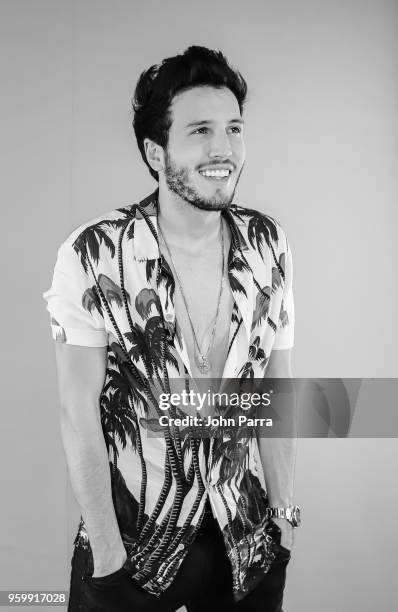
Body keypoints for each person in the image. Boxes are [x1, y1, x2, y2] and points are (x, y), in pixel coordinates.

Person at [42, 45, 300, 612]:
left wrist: (283, 515)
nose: (224, 149)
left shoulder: (268, 244)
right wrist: (107, 555)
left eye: (234, 128)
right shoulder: (96, 254)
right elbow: (76, 409)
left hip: (247, 540)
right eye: (201, 130)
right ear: (155, 153)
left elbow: (276, 383)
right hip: (134, 549)